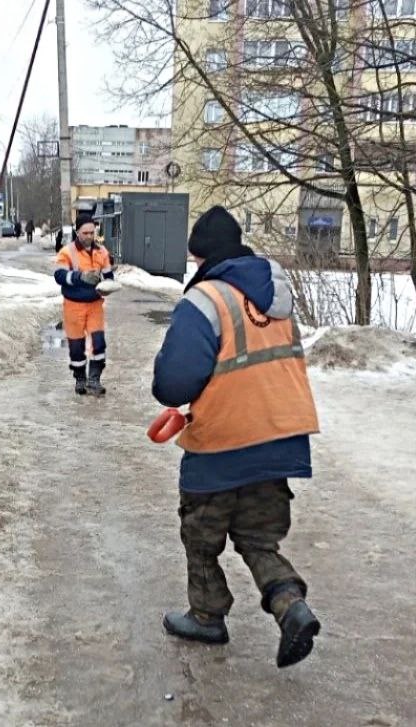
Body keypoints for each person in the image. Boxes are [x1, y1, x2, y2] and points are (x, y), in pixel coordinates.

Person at [151, 206, 322, 669]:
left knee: (201, 535)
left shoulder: (206, 299)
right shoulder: (277, 297)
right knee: (259, 538)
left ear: (199, 254)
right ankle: (291, 605)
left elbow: (174, 383)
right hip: (282, 438)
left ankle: (207, 615)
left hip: (222, 441)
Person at [53, 214, 114, 396]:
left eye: (92, 232)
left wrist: (107, 285)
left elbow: (109, 276)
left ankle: (94, 379)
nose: (89, 236)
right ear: (77, 232)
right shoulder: (67, 252)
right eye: (85, 233)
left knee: (98, 343)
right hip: (73, 306)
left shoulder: (102, 252)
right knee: (77, 346)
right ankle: (80, 378)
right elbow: (59, 276)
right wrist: (80, 276)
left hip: (95, 304)